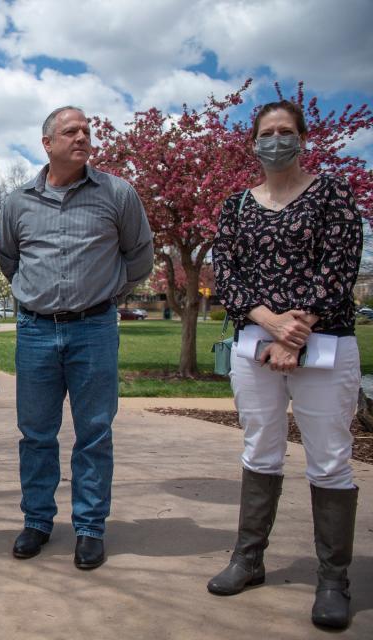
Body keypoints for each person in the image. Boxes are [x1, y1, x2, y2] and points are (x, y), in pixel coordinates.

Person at [209, 100, 364, 630]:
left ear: (302, 136)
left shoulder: (333, 194)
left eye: (286, 131)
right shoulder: (235, 206)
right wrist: (271, 325)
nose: (276, 140)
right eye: (267, 133)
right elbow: (226, 274)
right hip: (256, 344)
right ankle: (248, 559)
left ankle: (333, 579)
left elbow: (339, 267)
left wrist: (298, 330)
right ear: (253, 142)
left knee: (329, 459)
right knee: (260, 449)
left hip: (326, 343)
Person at [0, 106, 153, 568]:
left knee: (94, 433)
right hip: (36, 330)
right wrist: (37, 294)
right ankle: (38, 522)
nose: (82, 136)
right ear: (47, 143)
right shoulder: (17, 202)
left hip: (95, 329)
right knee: (36, 433)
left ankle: (89, 527)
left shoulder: (117, 193)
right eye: (71, 131)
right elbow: (8, 257)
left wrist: (106, 293)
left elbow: (139, 255)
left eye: (86, 130)